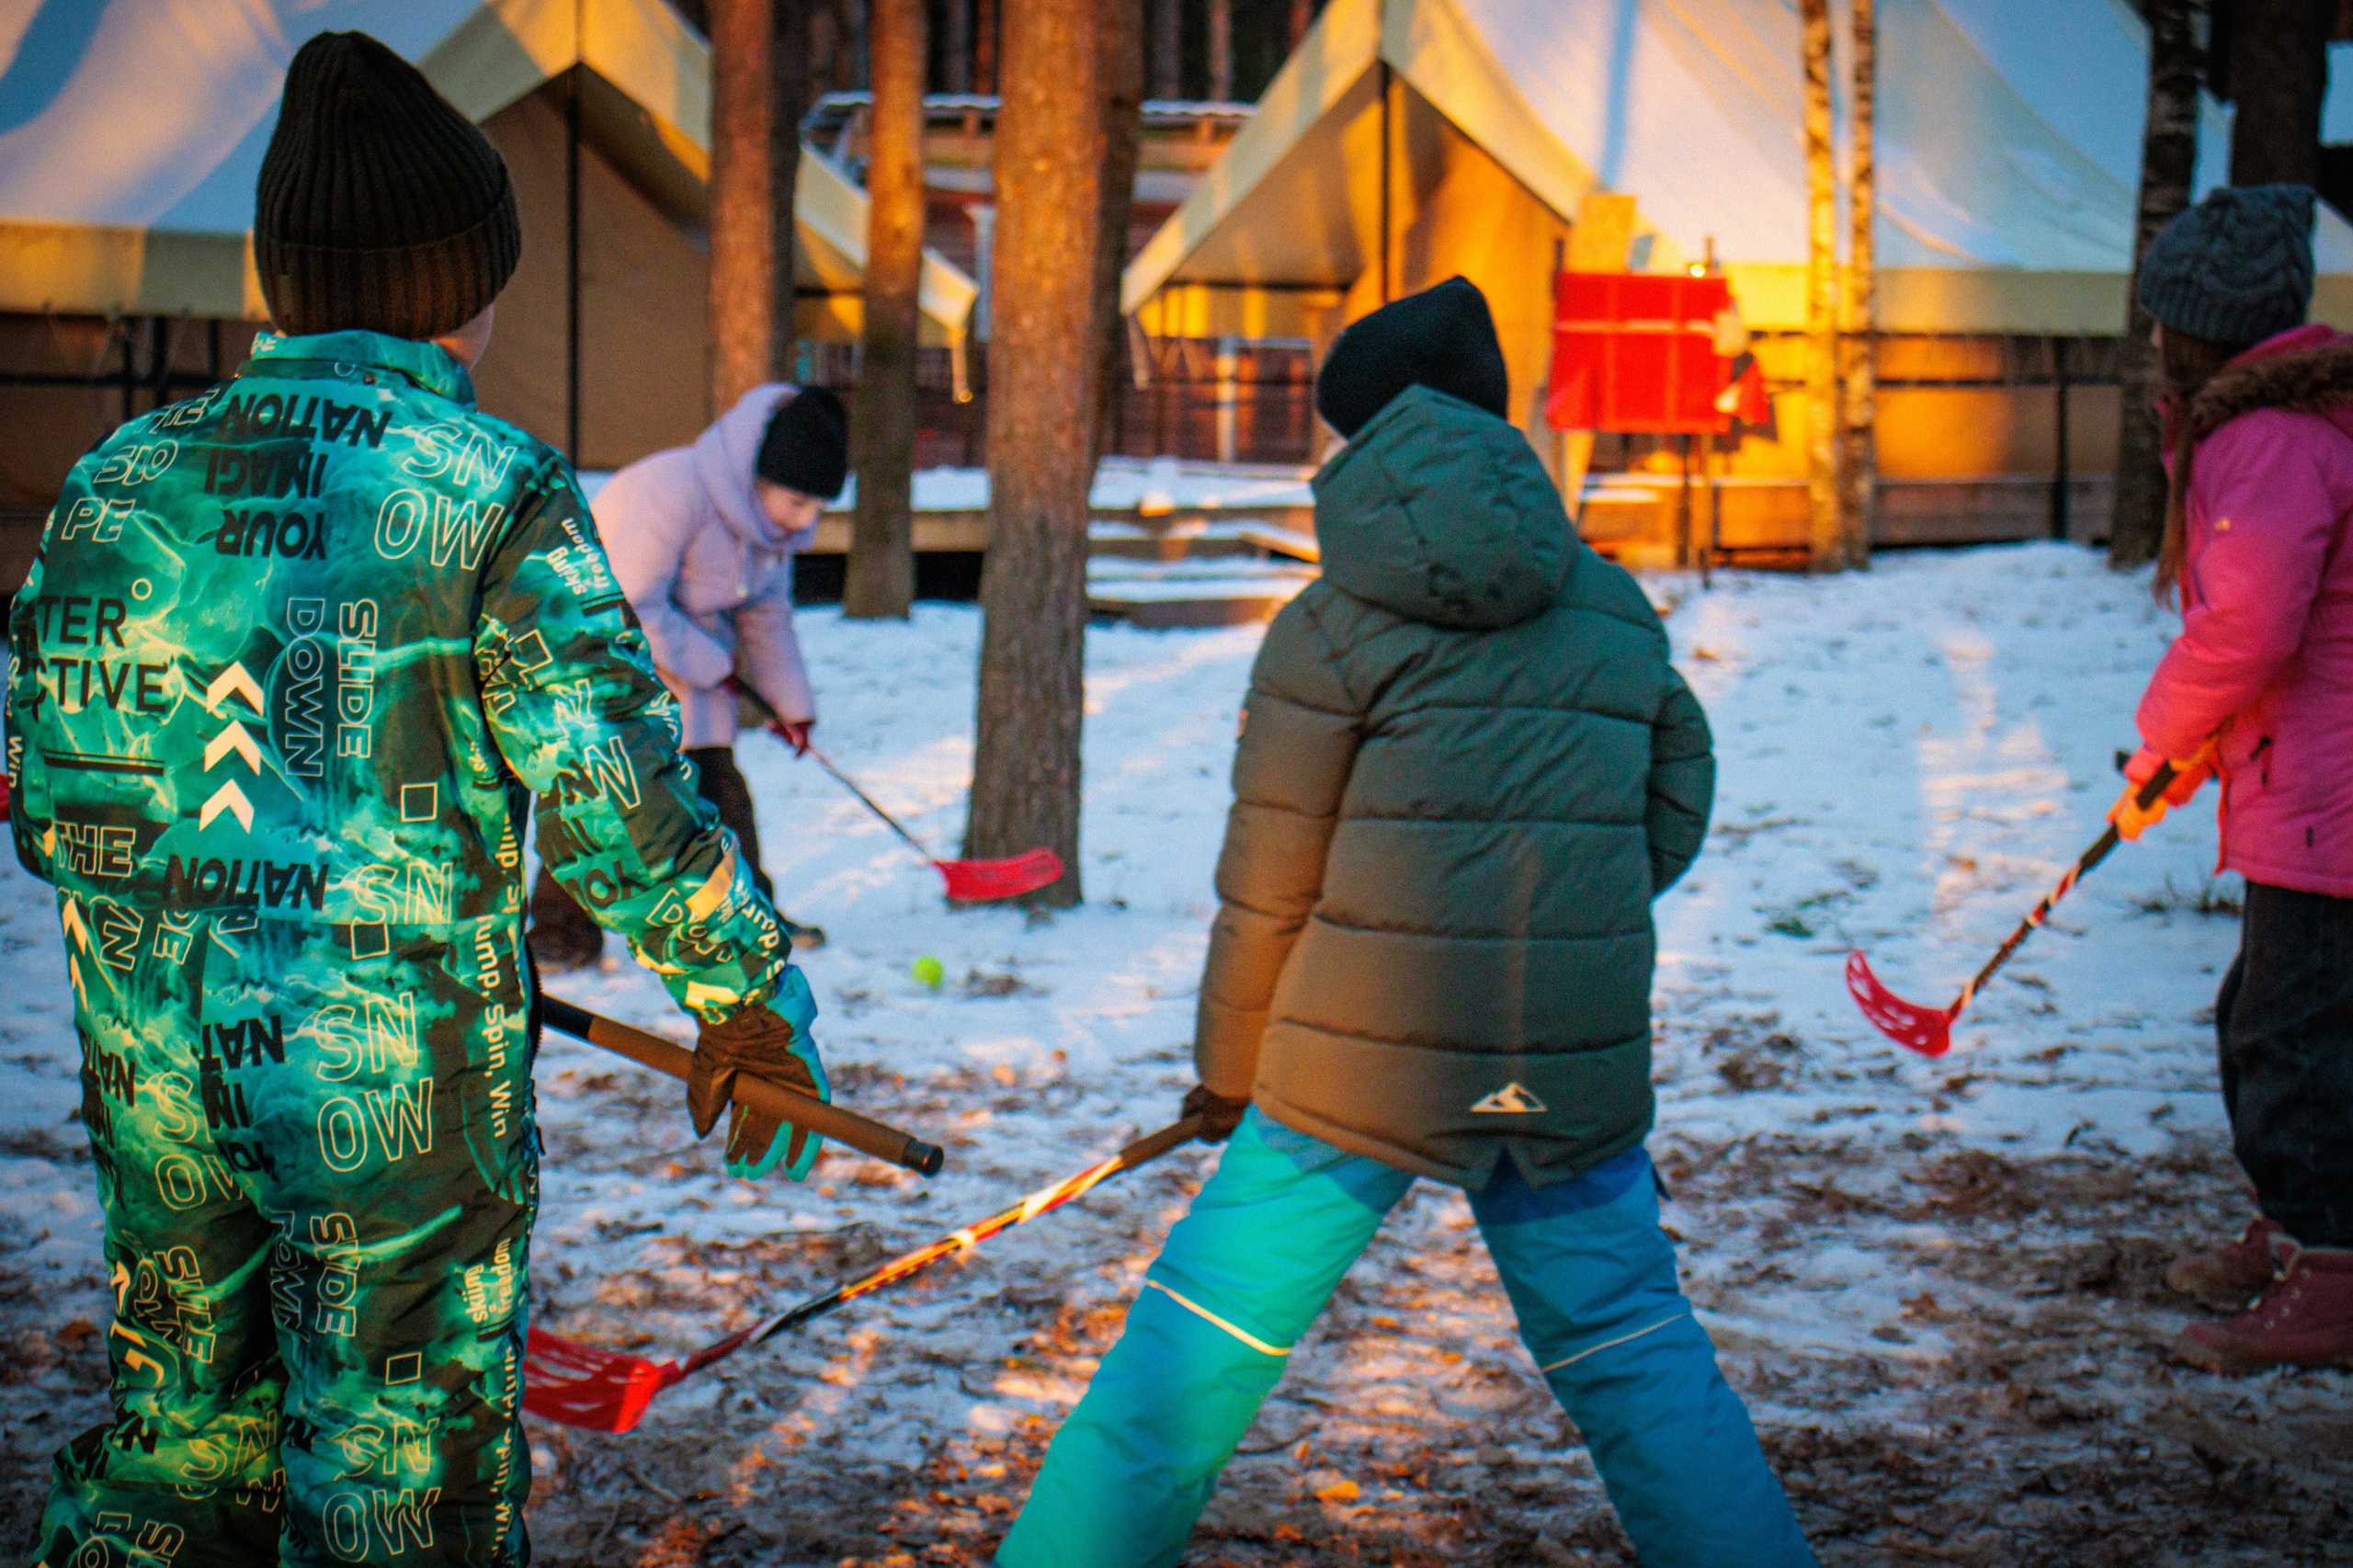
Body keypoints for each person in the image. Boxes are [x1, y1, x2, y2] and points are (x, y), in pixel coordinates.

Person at [7, 34, 825, 1565]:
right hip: (391, 1090)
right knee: (393, 1476)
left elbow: (43, 795)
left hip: (155, 1062)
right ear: (468, 285)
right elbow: (611, 786)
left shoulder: (119, 478)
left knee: (185, 1435)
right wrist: (744, 991)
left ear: (283, 283)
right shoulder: (488, 483)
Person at [995, 278, 1814, 1568]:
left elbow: (1271, 878)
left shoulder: (1328, 629)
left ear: (1361, 443)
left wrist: (1229, 1072)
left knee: (1188, 1359)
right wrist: (1558, 922)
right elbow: (1673, 797)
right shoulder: (1609, 607)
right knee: (1638, 1358)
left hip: (1347, 1067)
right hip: (1558, 1059)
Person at [2109, 183, 2353, 1374]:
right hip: (2305, 777)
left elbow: (2248, 627)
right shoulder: (2285, 427)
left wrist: (2161, 746)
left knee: (2291, 1040)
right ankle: (2301, 1230)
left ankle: (2336, 1271)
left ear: (2195, 324)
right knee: (2273, 1017)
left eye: (2162, 316)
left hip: (2331, 797)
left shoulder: (2267, 439)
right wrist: (2196, 754)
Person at [527, 383, 846, 971]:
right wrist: (716, 666)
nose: (809, 520)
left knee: (720, 794)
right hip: (601, 662)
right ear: (760, 477)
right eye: (800, 502)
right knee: (606, 795)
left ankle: (750, 918)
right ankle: (558, 927)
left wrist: (790, 704)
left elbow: (766, 616)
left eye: (819, 508)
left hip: (689, 672)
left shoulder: (769, 533)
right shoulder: (673, 491)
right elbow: (628, 605)